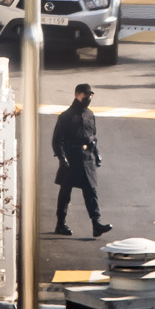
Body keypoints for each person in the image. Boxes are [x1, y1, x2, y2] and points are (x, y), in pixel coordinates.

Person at [52, 82, 110, 236]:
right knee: (65, 192)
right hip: (72, 158)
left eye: (90, 95)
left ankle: (96, 223)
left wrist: (96, 153)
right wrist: (62, 158)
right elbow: (57, 140)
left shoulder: (90, 115)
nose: (89, 98)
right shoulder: (66, 116)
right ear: (77, 95)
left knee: (91, 191)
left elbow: (93, 137)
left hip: (87, 158)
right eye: (86, 95)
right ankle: (60, 224)